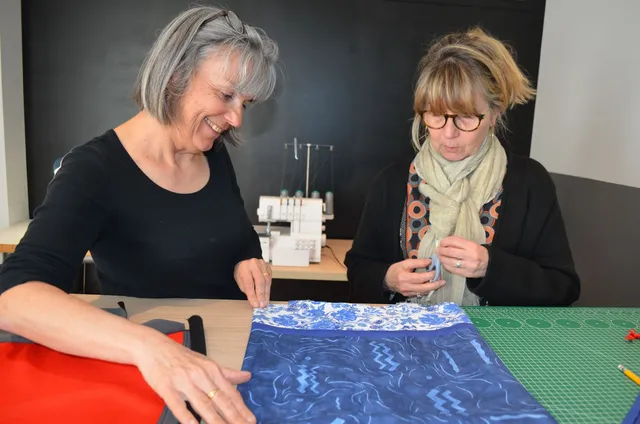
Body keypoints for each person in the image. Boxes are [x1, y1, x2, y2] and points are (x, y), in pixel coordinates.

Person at [0, 6, 279, 424]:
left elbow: (236, 235)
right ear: (174, 77)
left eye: (245, 103)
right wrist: (151, 347)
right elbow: (13, 296)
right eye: (225, 95)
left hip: (223, 350)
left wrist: (247, 259)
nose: (236, 118)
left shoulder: (213, 154)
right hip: (151, 369)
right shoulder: (94, 169)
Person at [345, 27, 580, 307]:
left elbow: (563, 287)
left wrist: (490, 268)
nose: (448, 134)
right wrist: (387, 279)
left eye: (466, 118)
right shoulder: (393, 182)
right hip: (408, 342)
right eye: (435, 115)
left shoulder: (529, 183)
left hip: (498, 346)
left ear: (495, 112)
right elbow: (358, 269)